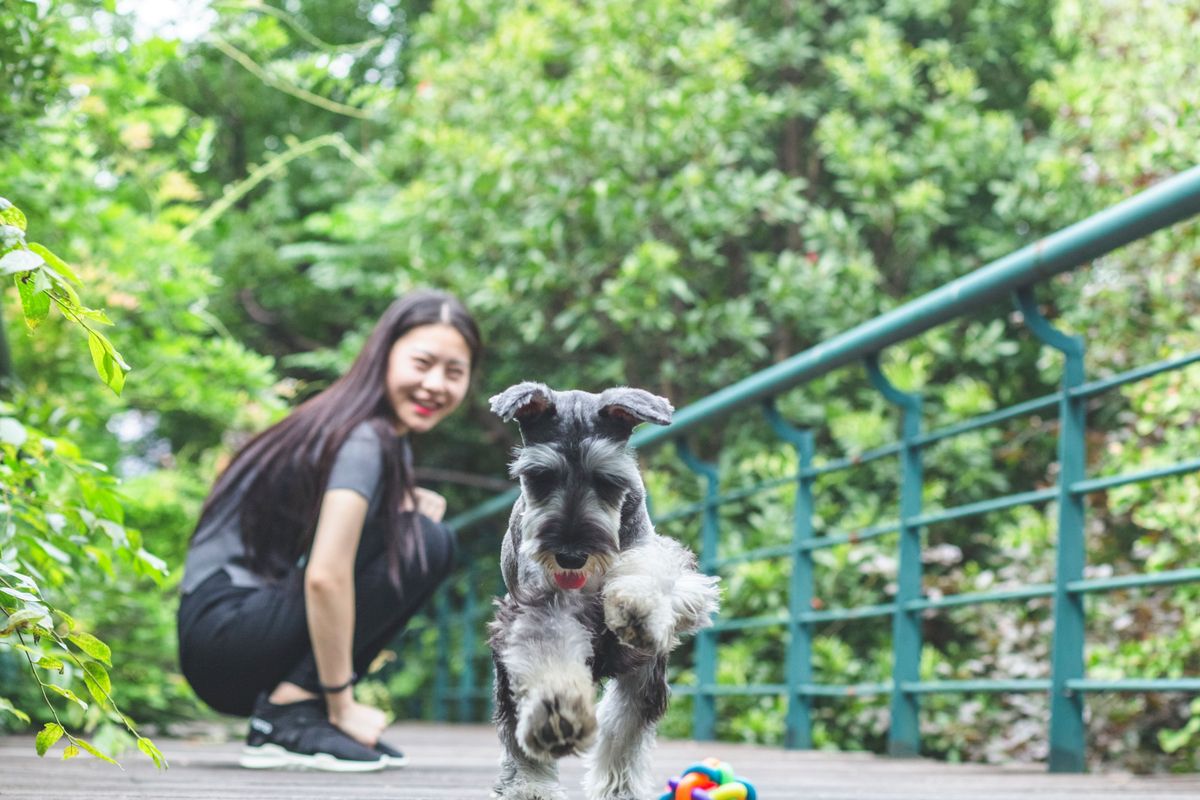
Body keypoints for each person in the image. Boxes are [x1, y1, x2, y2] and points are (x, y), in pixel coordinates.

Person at [177, 289, 482, 772]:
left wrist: (406, 510)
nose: (434, 384)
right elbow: (325, 574)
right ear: (384, 354)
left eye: (454, 372)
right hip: (225, 636)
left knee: (424, 537)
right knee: (427, 541)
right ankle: (294, 713)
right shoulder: (365, 435)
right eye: (422, 362)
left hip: (226, 640)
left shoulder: (368, 434)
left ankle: (296, 710)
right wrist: (343, 702)